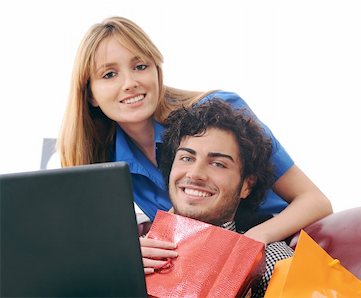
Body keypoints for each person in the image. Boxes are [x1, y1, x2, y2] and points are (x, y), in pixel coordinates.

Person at [57, 16, 332, 244]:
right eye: (109, 74)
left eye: (140, 66)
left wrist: (252, 241)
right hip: (207, 266)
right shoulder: (104, 162)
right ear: (90, 93)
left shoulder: (222, 110)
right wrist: (130, 252)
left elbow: (315, 200)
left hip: (275, 246)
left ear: (157, 71)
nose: (130, 83)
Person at [141, 100, 294, 297]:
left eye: (218, 164)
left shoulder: (273, 261)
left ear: (246, 185)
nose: (195, 174)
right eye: (187, 158)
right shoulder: (136, 252)